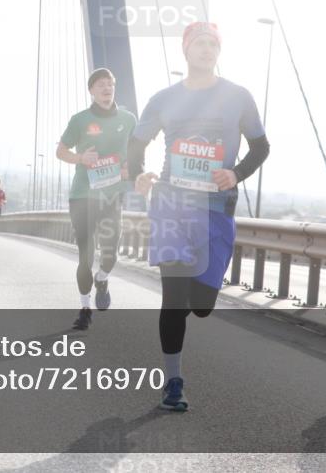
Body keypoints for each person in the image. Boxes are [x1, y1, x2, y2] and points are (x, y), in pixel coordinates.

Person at [128, 22, 269, 411]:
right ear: (186, 50)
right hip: (171, 205)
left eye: (212, 44)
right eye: (199, 44)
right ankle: (173, 382)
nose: (206, 50)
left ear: (218, 51)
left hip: (215, 208)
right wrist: (137, 173)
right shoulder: (163, 98)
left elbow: (261, 147)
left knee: (203, 304)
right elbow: (136, 144)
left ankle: (199, 296)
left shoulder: (238, 96)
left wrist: (236, 173)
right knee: (173, 299)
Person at [56, 68, 136, 330]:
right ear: (91, 90)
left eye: (110, 84)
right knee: (86, 256)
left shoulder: (128, 119)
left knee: (111, 254)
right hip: (82, 196)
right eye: (101, 85)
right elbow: (61, 151)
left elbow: (138, 153)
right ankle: (84, 308)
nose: (106, 89)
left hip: (112, 195)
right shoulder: (80, 120)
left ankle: (103, 278)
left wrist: (131, 169)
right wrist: (80, 158)